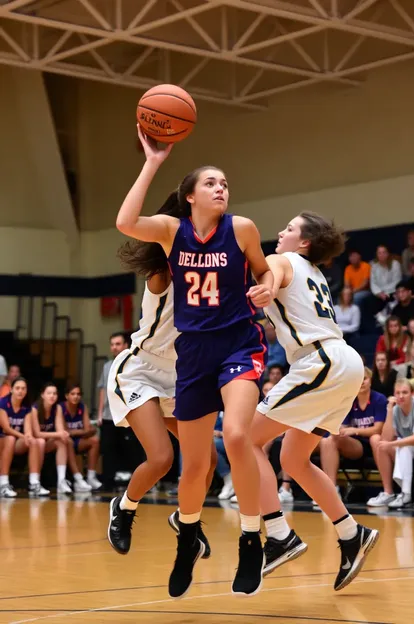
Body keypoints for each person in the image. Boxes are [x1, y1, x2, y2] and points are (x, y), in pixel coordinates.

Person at [116, 127, 272, 598]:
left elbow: (264, 270)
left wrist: (265, 285)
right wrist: (152, 161)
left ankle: (251, 540)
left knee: (240, 436)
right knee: (194, 466)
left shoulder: (241, 229)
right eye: (211, 183)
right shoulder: (171, 231)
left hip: (239, 344)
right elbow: (125, 222)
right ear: (190, 196)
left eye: (225, 183)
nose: (221, 188)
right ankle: (187, 537)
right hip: (194, 353)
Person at [250, 212, 379, 592]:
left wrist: (267, 288)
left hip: (318, 361)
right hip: (345, 362)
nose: (280, 232)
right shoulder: (314, 271)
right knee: (293, 459)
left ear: (304, 242)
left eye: (289, 229)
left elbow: (271, 274)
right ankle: (350, 532)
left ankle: (277, 534)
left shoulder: (281, 260)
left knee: (245, 439)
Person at [106, 222, 217, 559]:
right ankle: (123, 509)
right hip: (140, 370)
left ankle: (186, 521)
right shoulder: (162, 273)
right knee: (162, 458)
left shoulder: (210, 278)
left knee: (207, 460)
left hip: (177, 376)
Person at [319, 368, 387, 490]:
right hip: (355, 445)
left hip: (373, 443)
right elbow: (344, 427)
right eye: (359, 379)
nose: (361, 382)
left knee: (375, 438)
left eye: (365, 379)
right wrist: (339, 430)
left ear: (370, 381)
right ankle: (331, 489)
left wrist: (354, 430)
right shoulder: (349, 400)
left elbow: (377, 430)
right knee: (327, 441)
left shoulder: (379, 399)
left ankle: (387, 490)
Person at [367, 379, 414, 508]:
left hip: (412, 447)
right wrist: (389, 410)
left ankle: (406, 494)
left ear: (412, 393)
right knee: (382, 446)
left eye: (404, 392)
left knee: (401, 445)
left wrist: (394, 444)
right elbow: (386, 438)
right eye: (397, 393)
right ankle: (389, 493)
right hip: (405, 451)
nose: (400, 396)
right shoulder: (395, 410)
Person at [0, 378, 48, 498]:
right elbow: (6, 429)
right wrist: (24, 436)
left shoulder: (27, 407)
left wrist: (29, 437)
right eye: (17, 388)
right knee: (10, 438)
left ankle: (34, 483)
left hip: (13, 442)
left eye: (23, 388)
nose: (20, 391)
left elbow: (27, 430)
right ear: (11, 389)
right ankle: (3, 484)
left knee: (38, 441)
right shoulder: (2, 403)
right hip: (2, 439)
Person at [97, 332, 131, 488]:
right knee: (108, 449)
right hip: (109, 415)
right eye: (112, 344)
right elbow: (103, 389)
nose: (114, 347)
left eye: (118, 344)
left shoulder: (134, 364)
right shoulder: (107, 366)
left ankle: (133, 482)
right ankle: (108, 481)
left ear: (126, 345)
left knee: (129, 449)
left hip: (129, 414)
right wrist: (99, 414)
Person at [31, 383, 73, 494]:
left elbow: (59, 431)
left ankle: (61, 481)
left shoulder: (57, 408)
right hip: (33, 444)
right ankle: (35, 483)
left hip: (46, 444)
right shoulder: (35, 408)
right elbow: (37, 434)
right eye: (49, 393)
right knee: (40, 441)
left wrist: (61, 434)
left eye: (54, 393)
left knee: (62, 441)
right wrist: (59, 434)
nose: (52, 396)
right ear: (42, 395)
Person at [61, 384, 101, 491]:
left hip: (78, 441)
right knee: (68, 440)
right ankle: (78, 479)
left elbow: (88, 428)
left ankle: (91, 477)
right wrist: (82, 431)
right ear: (66, 396)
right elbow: (65, 432)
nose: (76, 396)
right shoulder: (61, 408)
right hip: (64, 442)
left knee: (95, 441)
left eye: (78, 394)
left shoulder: (82, 407)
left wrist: (75, 432)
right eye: (72, 394)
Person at [370, 245, 402, 309]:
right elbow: (373, 283)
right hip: (378, 294)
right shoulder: (374, 266)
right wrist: (379, 293)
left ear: (388, 254)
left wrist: (384, 292)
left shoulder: (395, 264)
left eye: (384, 252)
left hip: (392, 292)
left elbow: (397, 281)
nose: (382, 255)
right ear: (377, 255)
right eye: (379, 253)